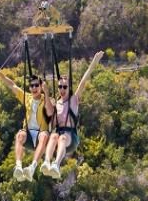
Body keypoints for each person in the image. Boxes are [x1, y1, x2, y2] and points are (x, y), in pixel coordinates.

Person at [41, 51, 104, 179]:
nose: (62, 89)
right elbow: (50, 118)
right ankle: (47, 162)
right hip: (58, 135)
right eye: (60, 87)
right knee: (53, 136)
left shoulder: (73, 100)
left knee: (63, 137)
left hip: (71, 137)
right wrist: (46, 94)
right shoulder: (56, 103)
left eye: (65, 87)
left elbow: (83, 81)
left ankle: (56, 165)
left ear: (69, 88)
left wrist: (94, 62)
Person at [0, 63, 54, 182]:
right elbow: (12, 85)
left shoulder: (47, 100)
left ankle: (32, 167)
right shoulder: (27, 97)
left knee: (44, 135)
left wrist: (47, 94)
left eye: (36, 85)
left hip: (41, 135)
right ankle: (18, 166)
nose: (34, 88)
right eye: (32, 86)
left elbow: (50, 112)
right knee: (20, 134)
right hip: (29, 134)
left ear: (41, 87)